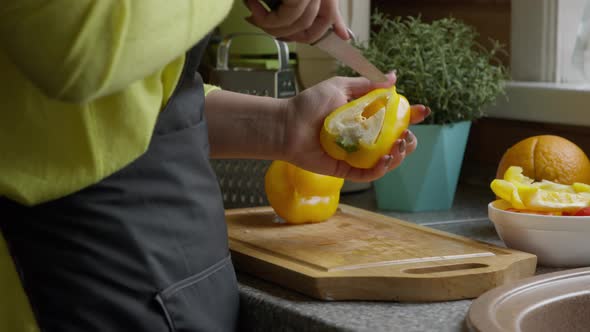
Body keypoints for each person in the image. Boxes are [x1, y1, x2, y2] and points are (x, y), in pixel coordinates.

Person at [0, 0, 430, 331]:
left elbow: (137, 103)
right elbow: (81, 48)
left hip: (172, 261)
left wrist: (282, 127)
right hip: (69, 270)